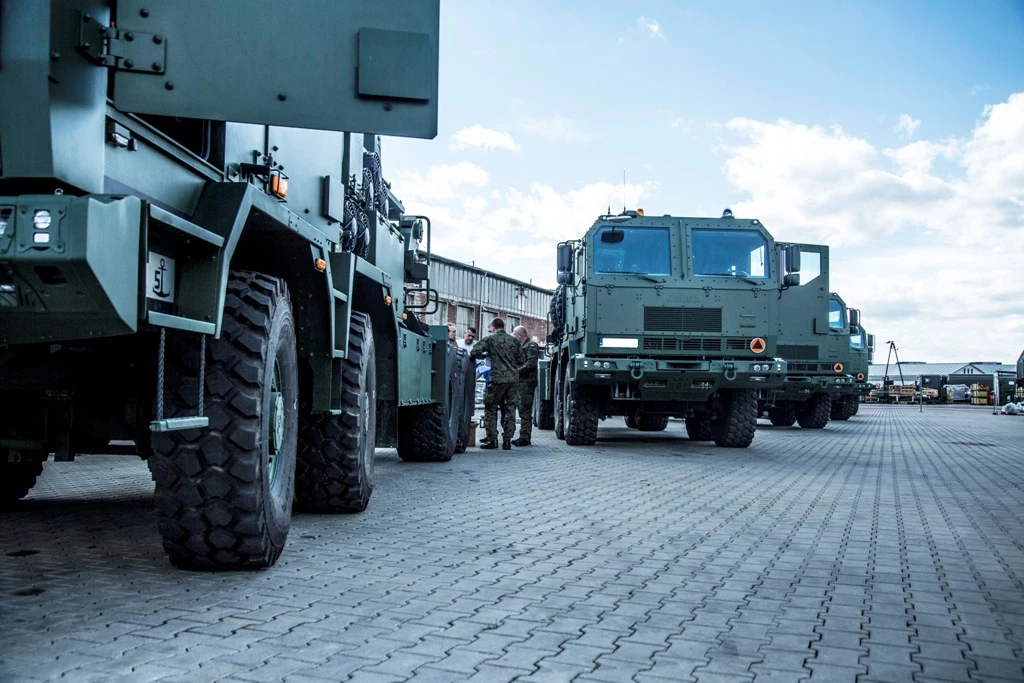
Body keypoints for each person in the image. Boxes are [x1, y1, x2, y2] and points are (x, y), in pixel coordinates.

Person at [470, 318, 524, 450]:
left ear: (493, 327)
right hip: (512, 380)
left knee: (490, 407)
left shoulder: (491, 339)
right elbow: (522, 359)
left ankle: (492, 439)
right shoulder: (514, 340)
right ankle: (507, 441)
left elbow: (474, 351)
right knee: (510, 410)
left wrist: (486, 354)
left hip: (497, 380)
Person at [512, 326, 540, 447]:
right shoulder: (521, 347)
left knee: (525, 410)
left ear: (520, 335)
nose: (513, 337)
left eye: (514, 335)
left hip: (527, 383)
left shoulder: (531, 346)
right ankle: (523, 435)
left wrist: (517, 371)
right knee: (522, 409)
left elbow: (531, 363)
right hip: (521, 382)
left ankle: (525, 437)